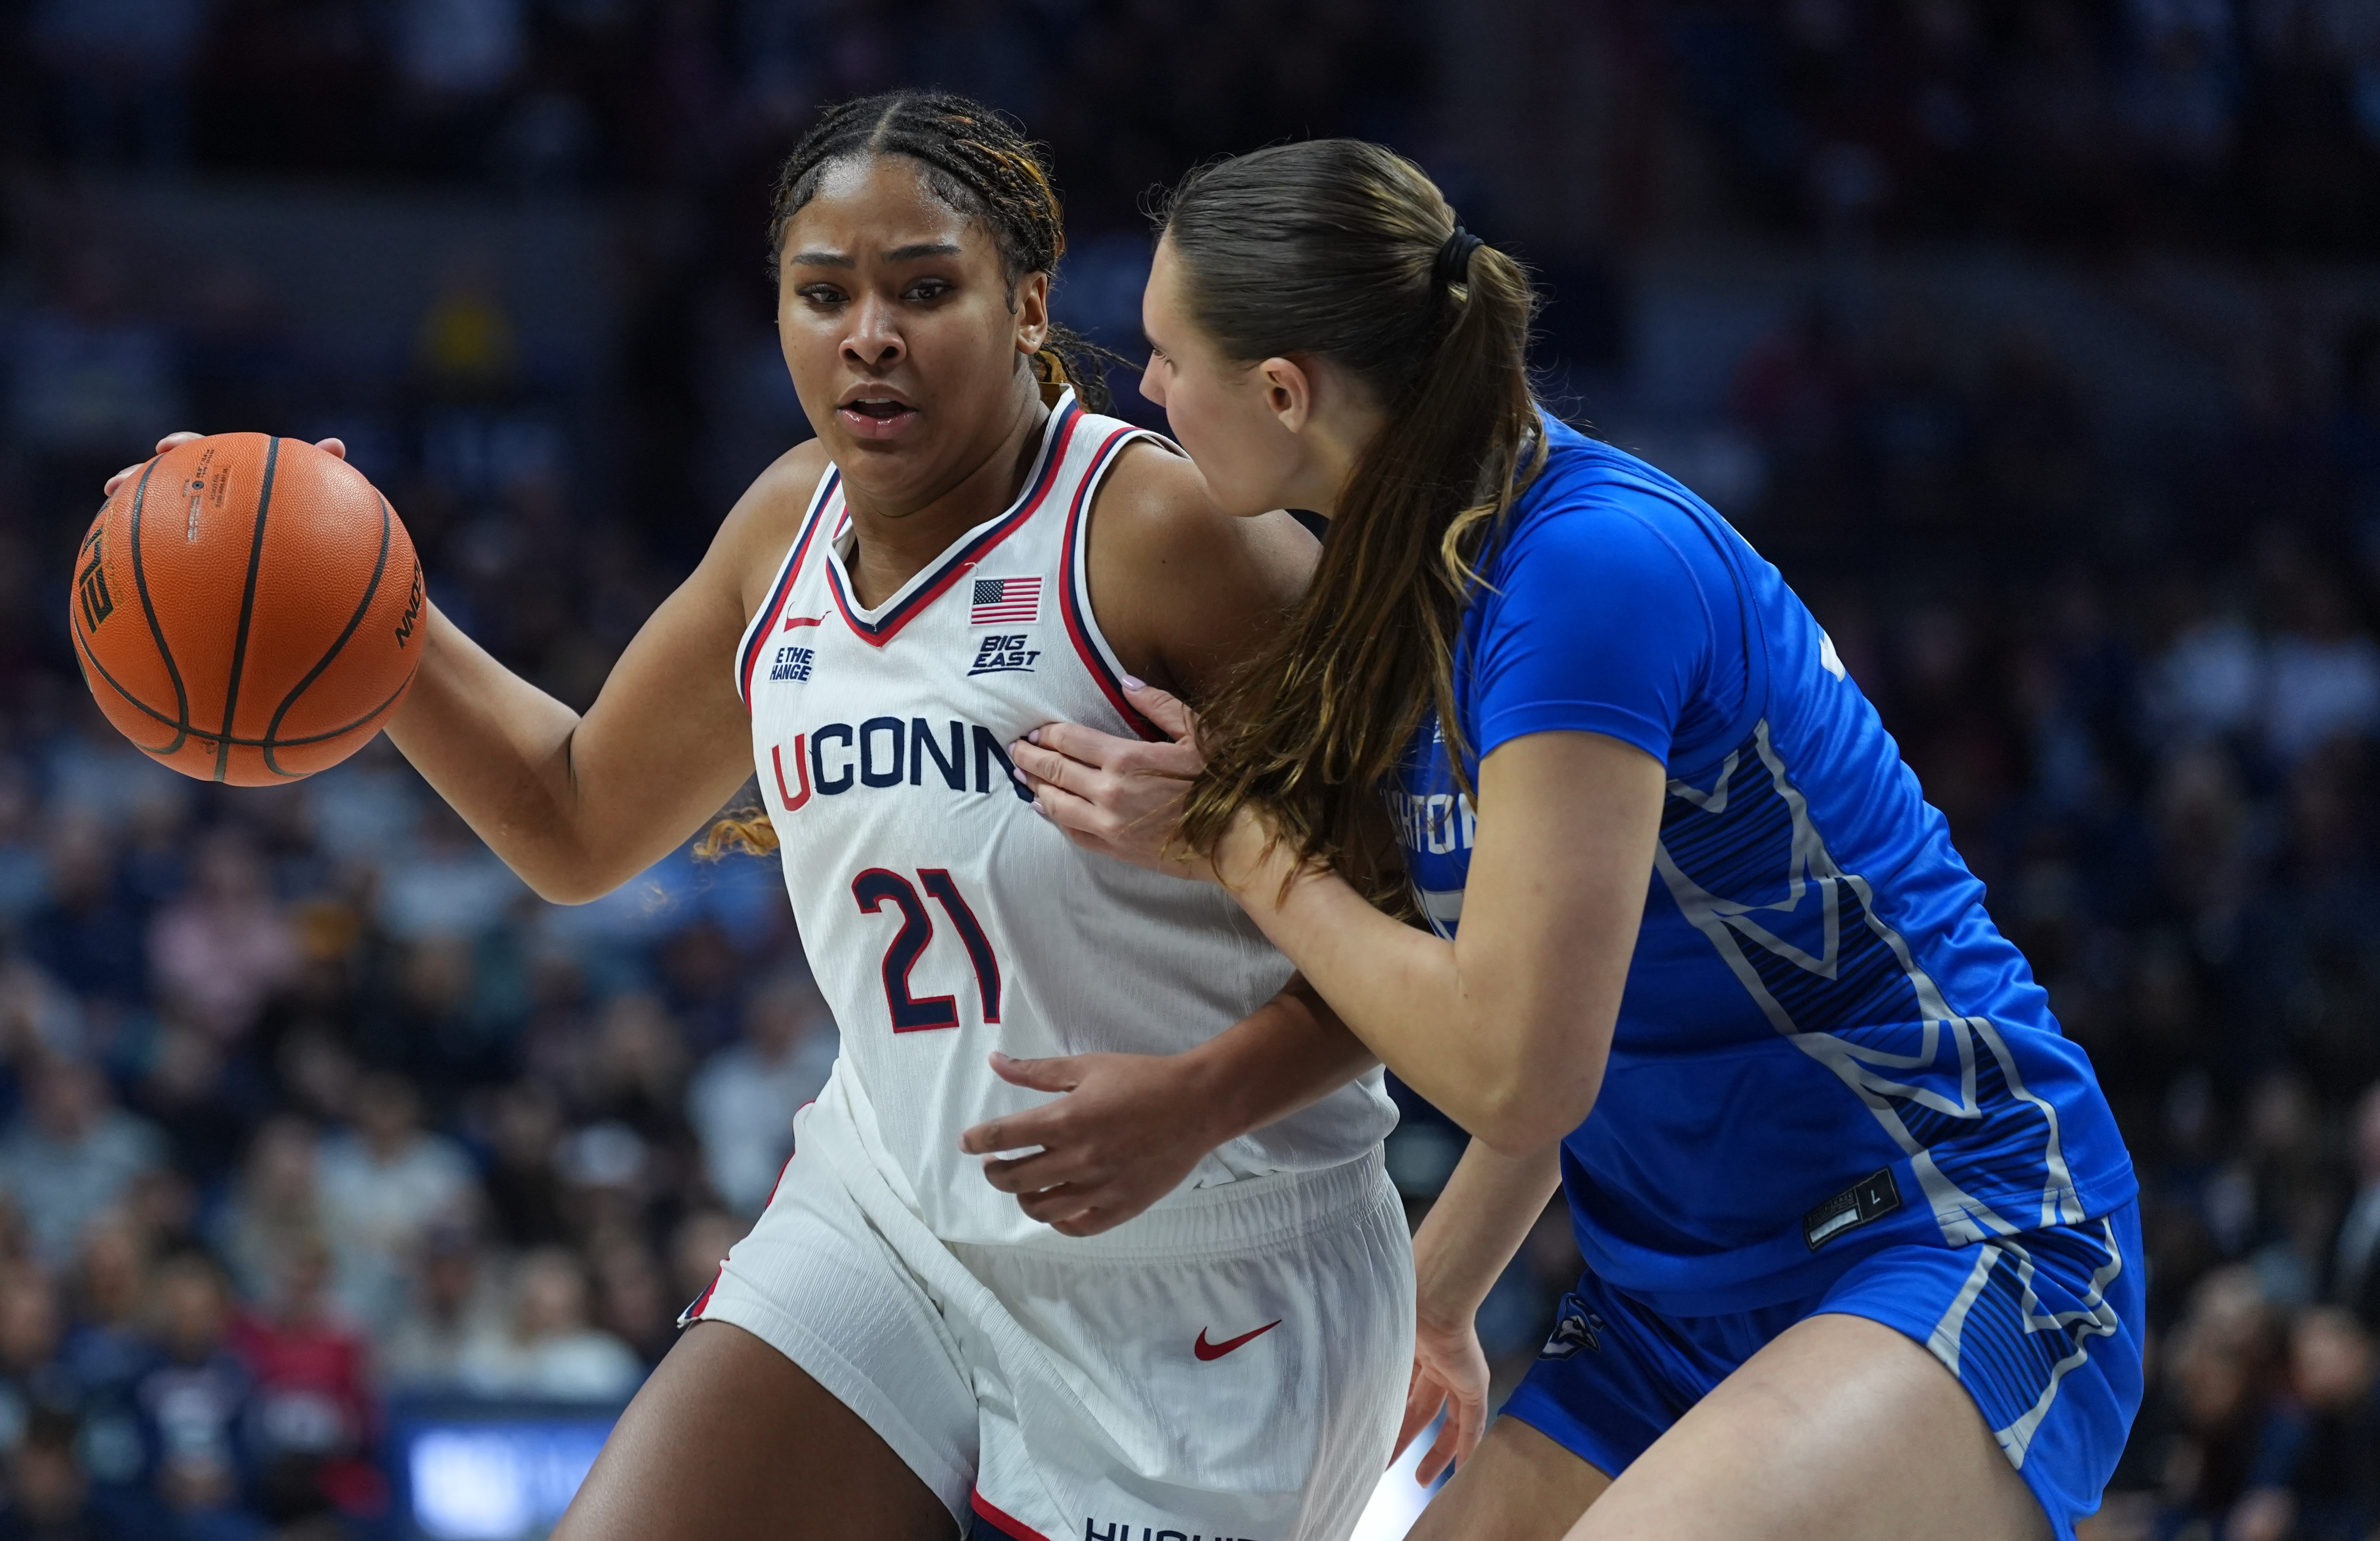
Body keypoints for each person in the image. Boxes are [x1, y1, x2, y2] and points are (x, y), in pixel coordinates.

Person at [106, 92, 1406, 1541]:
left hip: (1211, 1268)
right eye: (822, 294)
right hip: (896, 1215)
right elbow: (579, 818)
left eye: (925, 289)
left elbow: (1437, 931)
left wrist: (1206, 1099)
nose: (869, 335)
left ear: (1029, 304)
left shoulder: (1169, 535)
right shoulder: (782, 525)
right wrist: (341, 580)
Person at [1006, 138, 2143, 1541]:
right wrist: (1435, 1298)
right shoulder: (1405, 583)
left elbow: (1515, 1068)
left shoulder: (1582, 574)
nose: (1153, 389)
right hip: (1669, 1294)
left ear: (1286, 392)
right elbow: (1569, 1006)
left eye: (1173, 356)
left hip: (1948, 1230)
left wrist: (1235, 839)